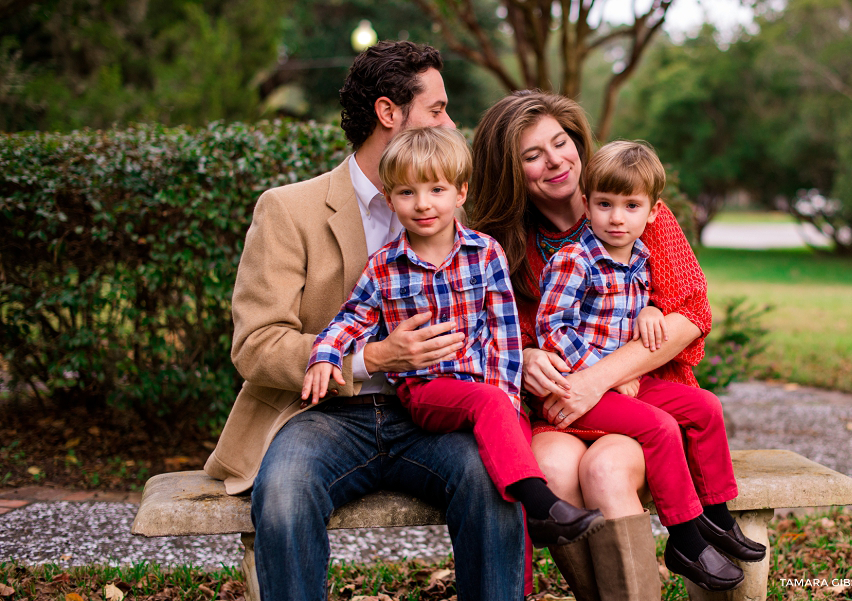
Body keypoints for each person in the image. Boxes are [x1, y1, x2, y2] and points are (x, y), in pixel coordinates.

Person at [204, 41, 529, 601]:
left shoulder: (448, 202)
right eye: (436, 109)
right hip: (322, 414)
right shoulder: (288, 209)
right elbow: (256, 344)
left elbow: (493, 319)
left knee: (492, 480)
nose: (449, 122)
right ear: (388, 113)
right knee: (282, 493)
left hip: (433, 411)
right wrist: (371, 358)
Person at [303, 126, 605, 548]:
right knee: (502, 429)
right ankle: (541, 502)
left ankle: (524, 567)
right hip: (427, 392)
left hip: (489, 393)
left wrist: (508, 400)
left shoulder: (485, 253)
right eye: (406, 193)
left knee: (513, 445)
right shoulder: (385, 266)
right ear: (389, 200)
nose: (423, 204)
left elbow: (504, 334)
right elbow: (351, 319)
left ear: (460, 192)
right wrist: (325, 355)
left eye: (436, 190)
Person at [468, 91, 713, 601]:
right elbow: (482, 334)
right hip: (558, 407)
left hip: (639, 395)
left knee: (605, 468)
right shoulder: (498, 243)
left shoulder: (633, 210)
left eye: (561, 143)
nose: (555, 160)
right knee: (553, 470)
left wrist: (596, 378)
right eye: (532, 155)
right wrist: (527, 356)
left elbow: (691, 315)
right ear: (511, 172)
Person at [535, 140, 766, 592]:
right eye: (604, 204)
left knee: (703, 408)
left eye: (630, 206)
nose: (616, 217)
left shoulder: (640, 257)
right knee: (660, 428)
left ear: (653, 212)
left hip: (626, 382)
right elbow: (551, 327)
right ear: (586, 204)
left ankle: (717, 515)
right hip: (576, 389)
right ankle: (684, 538)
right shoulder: (573, 260)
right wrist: (602, 377)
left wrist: (651, 312)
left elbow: (672, 309)